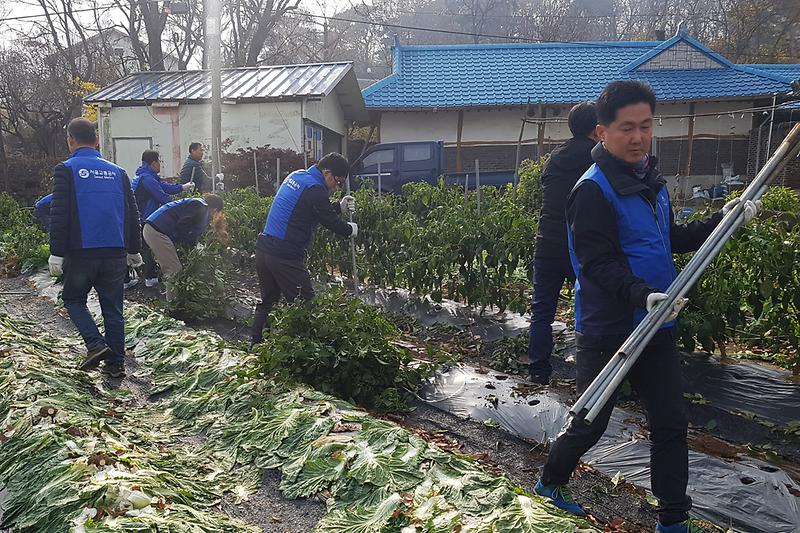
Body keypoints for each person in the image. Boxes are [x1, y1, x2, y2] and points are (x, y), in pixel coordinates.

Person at [533, 80, 759, 533]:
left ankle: (673, 519)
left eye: (645, 126)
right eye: (626, 129)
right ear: (602, 133)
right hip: (611, 326)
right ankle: (551, 481)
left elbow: (667, 239)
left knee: (671, 422)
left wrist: (723, 220)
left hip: (657, 321)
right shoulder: (592, 190)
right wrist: (642, 294)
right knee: (591, 421)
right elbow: (596, 264)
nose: (638, 137)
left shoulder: (649, 182)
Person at [48, 117, 142, 378]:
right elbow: (132, 214)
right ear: (97, 140)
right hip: (115, 252)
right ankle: (116, 365)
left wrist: (56, 252)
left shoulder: (66, 169)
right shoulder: (118, 171)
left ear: (70, 140)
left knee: (73, 299)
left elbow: (60, 215)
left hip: (82, 252)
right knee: (113, 309)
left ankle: (95, 344)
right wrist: (134, 249)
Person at [249, 153, 357, 348]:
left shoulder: (297, 176)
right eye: (338, 182)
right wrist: (350, 229)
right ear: (327, 173)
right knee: (304, 304)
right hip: (284, 256)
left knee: (269, 301)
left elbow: (311, 208)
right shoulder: (315, 189)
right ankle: (305, 352)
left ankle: (256, 346)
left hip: (265, 250)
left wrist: (338, 207)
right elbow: (327, 219)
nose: (336, 187)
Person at [528, 102, 598, 385]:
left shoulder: (554, 158)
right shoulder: (598, 158)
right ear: (597, 128)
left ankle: (537, 371)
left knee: (542, 310)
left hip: (547, 241)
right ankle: (593, 377)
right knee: (593, 309)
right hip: (579, 245)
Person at [128, 149, 195, 289]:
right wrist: (180, 208)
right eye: (160, 162)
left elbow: (164, 186)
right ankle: (150, 278)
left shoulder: (147, 175)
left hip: (142, 216)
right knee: (146, 248)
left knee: (143, 247)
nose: (160, 165)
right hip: (142, 217)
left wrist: (182, 187)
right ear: (153, 163)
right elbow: (162, 196)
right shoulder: (147, 179)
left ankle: (139, 277)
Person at [143, 194, 224, 303]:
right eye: (217, 213)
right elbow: (183, 225)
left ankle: (177, 299)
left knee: (175, 266)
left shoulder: (199, 206)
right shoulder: (200, 207)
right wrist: (187, 244)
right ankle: (173, 305)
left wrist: (191, 246)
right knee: (174, 270)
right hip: (157, 231)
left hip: (156, 229)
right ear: (214, 209)